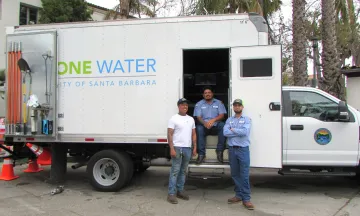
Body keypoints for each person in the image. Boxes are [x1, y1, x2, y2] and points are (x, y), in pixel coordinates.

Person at [223, 99, 254, 210]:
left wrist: (233, 129)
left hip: (243, 150)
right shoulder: (229, 120)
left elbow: (245, 132)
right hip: (232, 150)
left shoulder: (247, 119)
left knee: (244, 175)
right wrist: (237, 131)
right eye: (235, 105)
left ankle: (246, 199)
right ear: (233, 107)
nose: (237, 107)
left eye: (239, 105)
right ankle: (238, 195)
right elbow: (225, 133)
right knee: (235, 174)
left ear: (242, 107)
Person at [167, 98, 197, 204]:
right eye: (182, 105)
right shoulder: (173, 119)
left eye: (186, 105)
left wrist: (194, 147)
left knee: (183, 171)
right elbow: (169, 134)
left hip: (187, 148)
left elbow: (193, 134)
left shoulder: (191, 119)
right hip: (177, 148)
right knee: (175, 171)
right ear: (178, 106)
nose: (185, 107)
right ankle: (171, 193)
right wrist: (171, 148)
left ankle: (180, 191)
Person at [193, 86, 227, 164]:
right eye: (205, 93)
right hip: (204, 126)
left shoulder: (219, 103)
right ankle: (201, 154)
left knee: (223, 126)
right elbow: (198, 117)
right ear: (203, 95)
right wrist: (205, 123)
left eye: (209, 92)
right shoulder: (199, 104)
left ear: (212, 94)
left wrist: (213, 120)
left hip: (215, 125)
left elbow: (222, 115)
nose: (207, 94)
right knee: (199, 128)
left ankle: (219, 151)